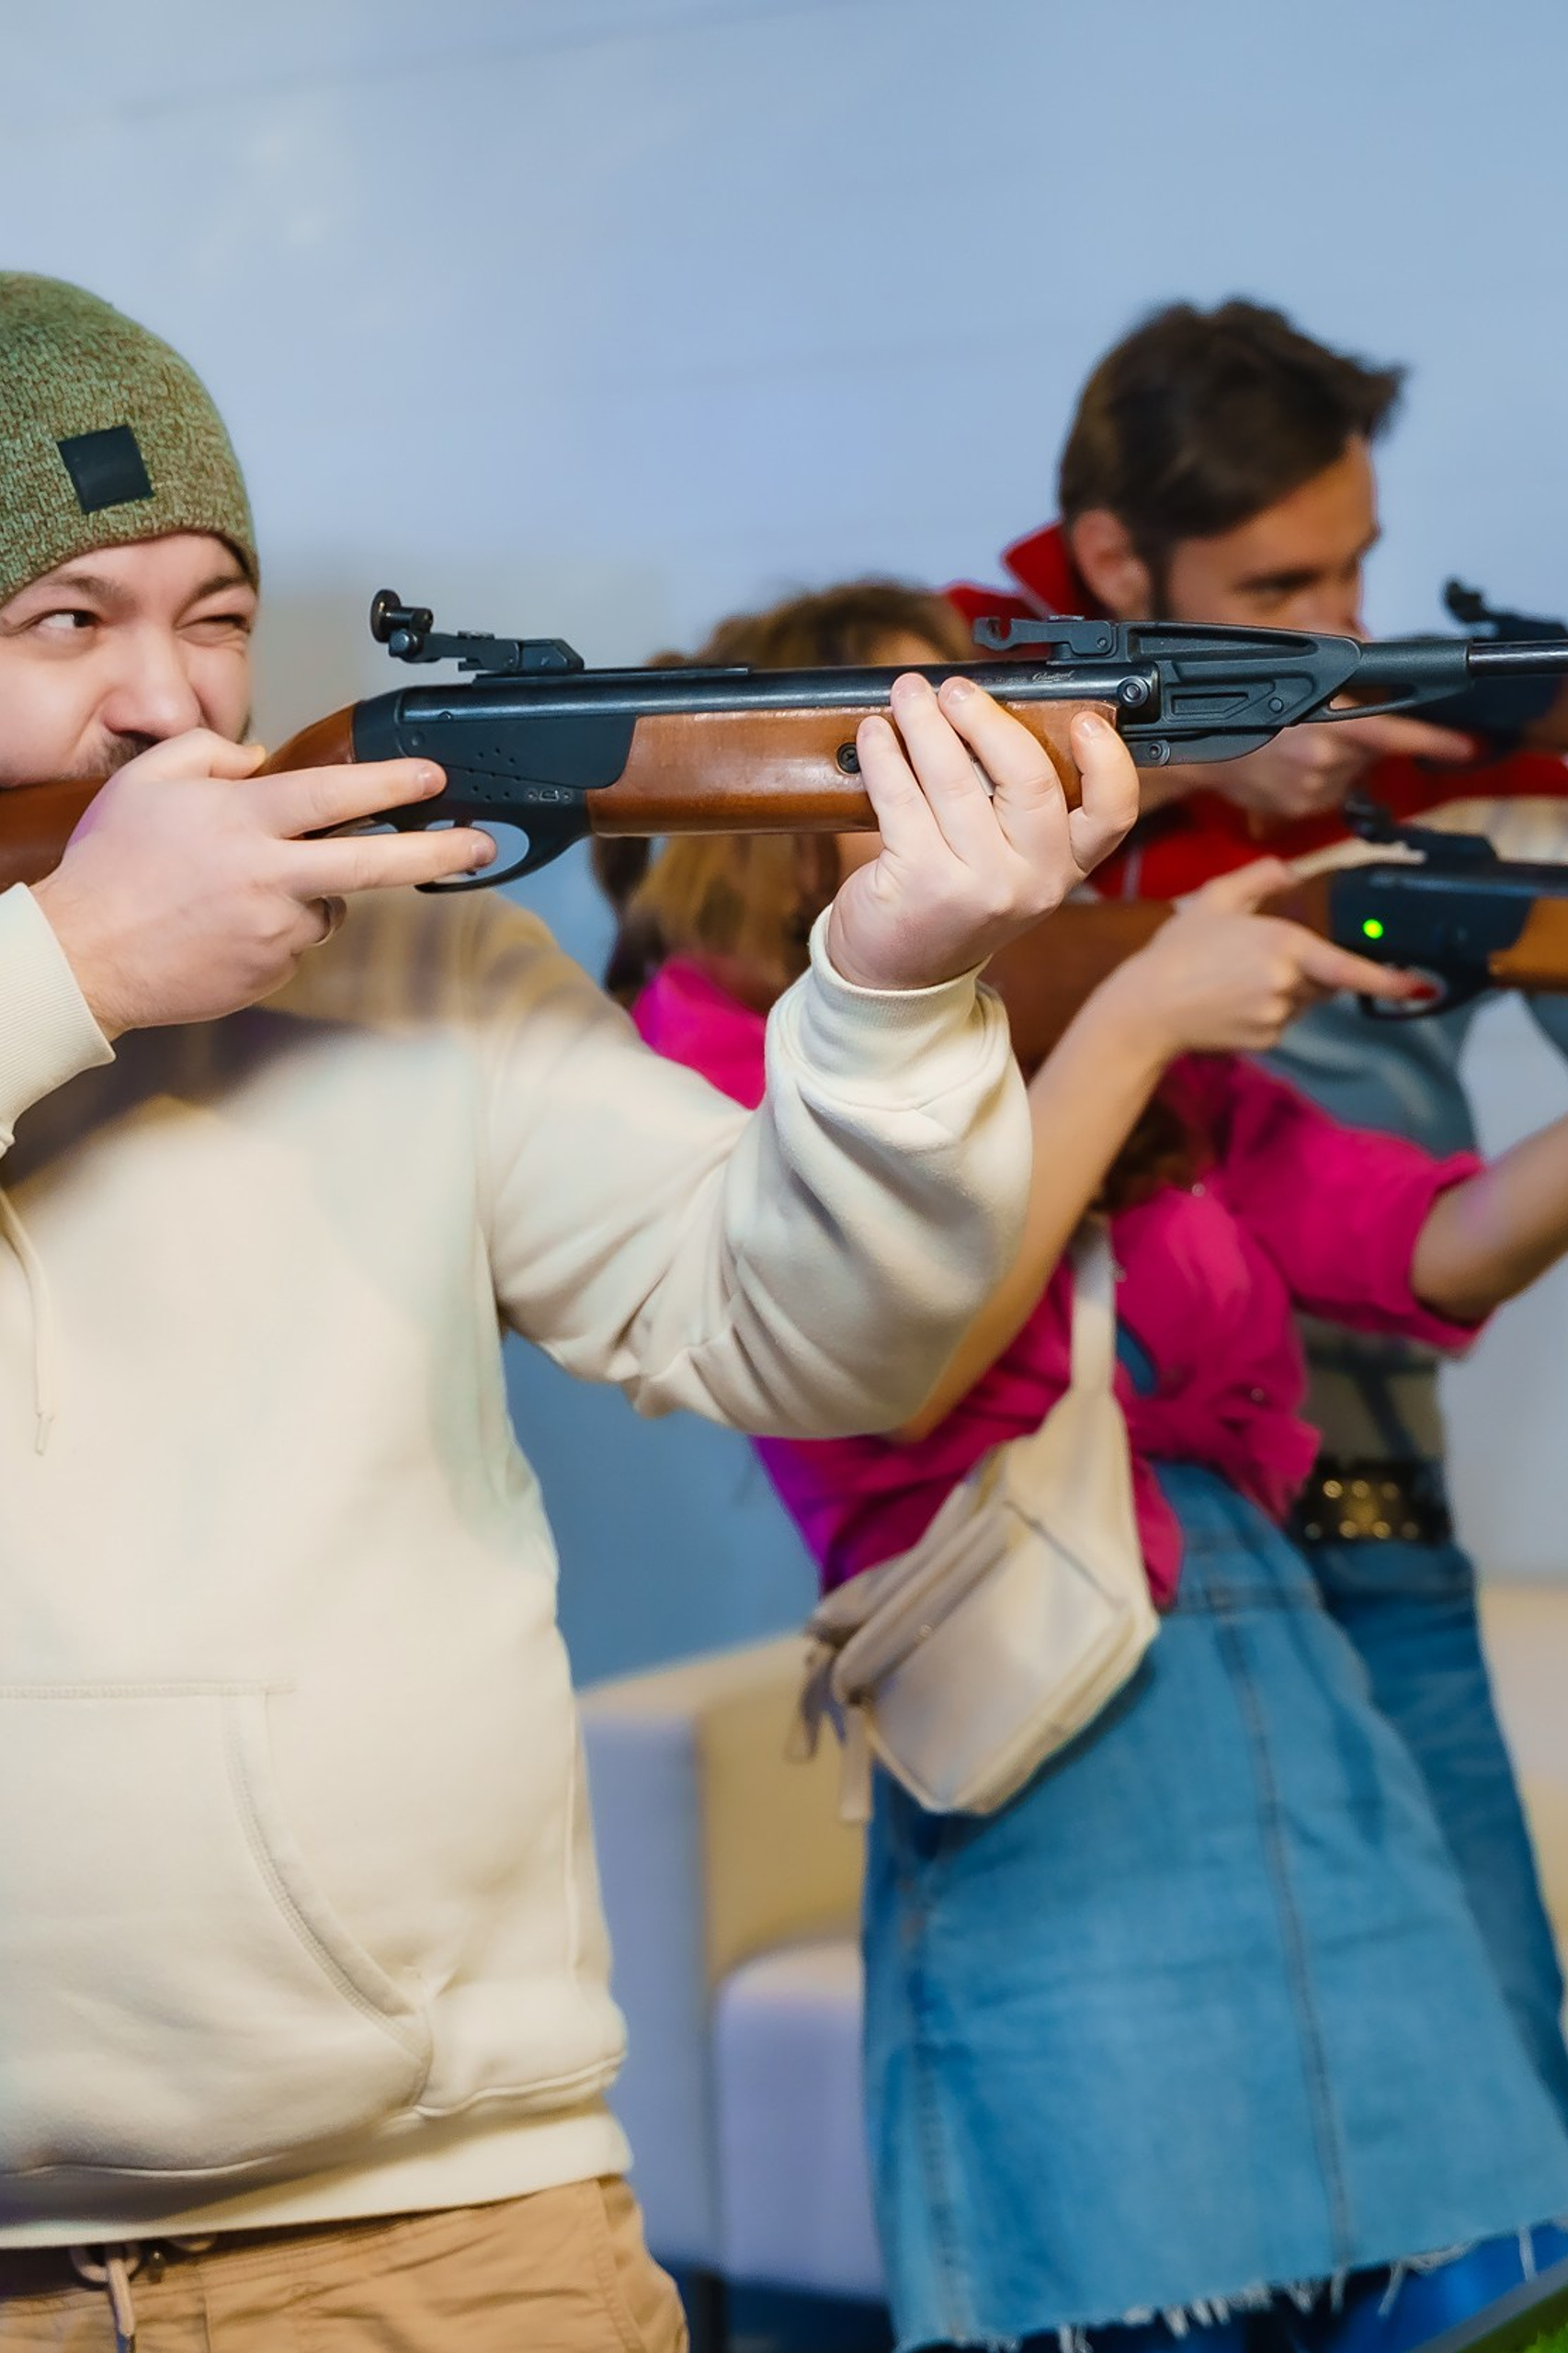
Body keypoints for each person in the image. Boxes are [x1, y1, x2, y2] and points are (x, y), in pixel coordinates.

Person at [0, 278, 1135, 2352]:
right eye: (67, 620)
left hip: (444, 2235)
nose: (170, 701)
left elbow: (819, 1343)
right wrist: (69, 972)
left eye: (215, 613)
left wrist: (892, 987)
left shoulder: (416, 969)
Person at [617, 579, 1568, 2353]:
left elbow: (1439, 1248)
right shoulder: (704, 1049)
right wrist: (1140, 1017)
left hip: (1311, 1747)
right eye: (931, 755)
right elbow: (892, 1370)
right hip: (1052, 1800)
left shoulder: (1091, 1010)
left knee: (1485, 2274)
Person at [946, 300, 1568, 2152]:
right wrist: (1181, 773)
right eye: (1277, 585)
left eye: (1354, 566)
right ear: (1117, 564)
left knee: (1502, 2120)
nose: (1338, 626)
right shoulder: (956, 722)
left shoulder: (1442, 758)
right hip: (1051, 1553)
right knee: (1151, 2162)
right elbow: (796, 994)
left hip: (1363, 1518)